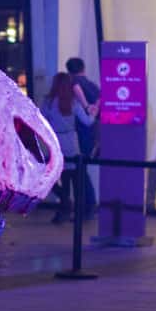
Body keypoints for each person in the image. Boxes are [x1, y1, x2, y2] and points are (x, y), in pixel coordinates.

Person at [41, 72, 97, 223]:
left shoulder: (48, 102)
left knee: (53, 176)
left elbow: (41, 122)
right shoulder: (73, 103)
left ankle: (64, 205)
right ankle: (76, 211)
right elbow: (88, 122)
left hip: (55, 141)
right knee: (74, 179)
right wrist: (93, 113)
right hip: (71, 141)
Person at [66, 57, 100, 210]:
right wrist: (95, 109)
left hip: (82, 131)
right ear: (83, 68)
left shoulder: (74, 83)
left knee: (80, 168)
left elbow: (77, 91)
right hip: (94, 130)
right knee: (82, 168)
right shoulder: (92, 84)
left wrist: (87, 107)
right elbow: (101, 98)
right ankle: (89, 203)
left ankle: (88, 204)